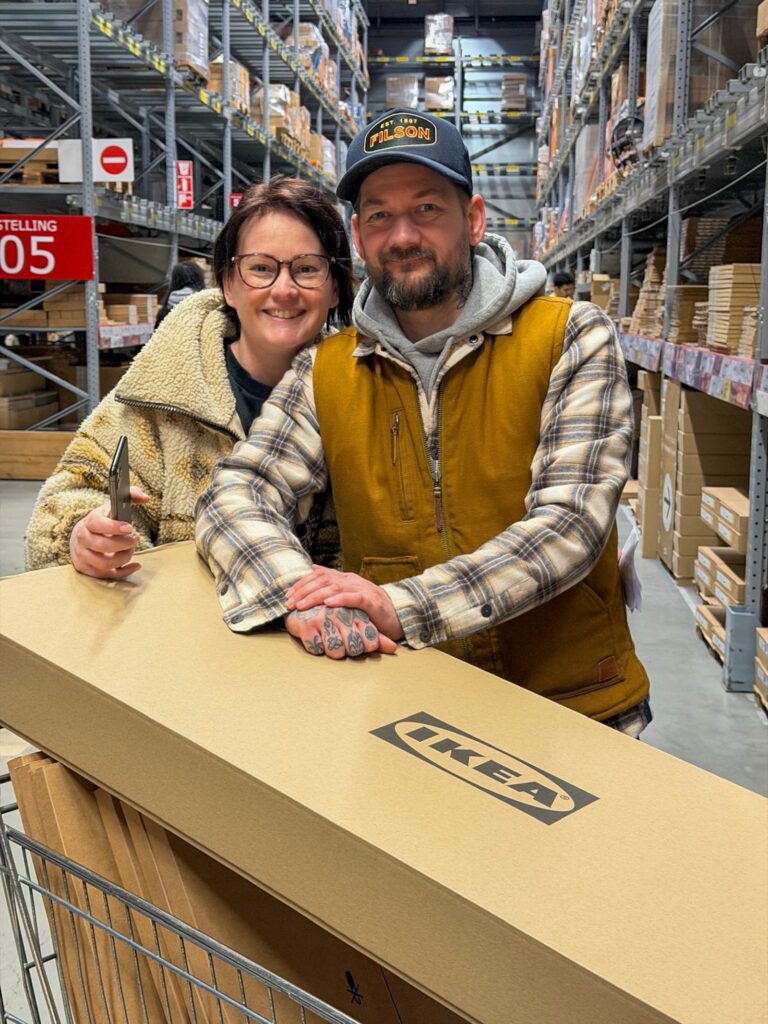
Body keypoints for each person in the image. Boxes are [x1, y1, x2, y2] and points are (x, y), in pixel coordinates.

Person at [195, 109, 651, 735]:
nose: (402, 234)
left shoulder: (569, 335)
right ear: (358, 235)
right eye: (379, 214)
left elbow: (569, 524)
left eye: (428, 208)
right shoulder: (326, 369)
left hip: (571, 704)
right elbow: (237, 491)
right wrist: (296, 596)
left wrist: (400, 606)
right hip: (413, 706)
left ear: (474, 219)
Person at [25, 178, 353, 579]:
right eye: (261, 268)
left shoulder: (362, 394)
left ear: (335, 288)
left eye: (306, 269)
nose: (283, 289)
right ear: (228, 285)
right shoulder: (160, 395)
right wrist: (82, 534)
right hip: (180, 632)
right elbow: (67, 494)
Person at [154, 262, 206, 329]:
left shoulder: (164, 312)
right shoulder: (208, 309)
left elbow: (156, 336)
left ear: (174, 281)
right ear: (200, 279)